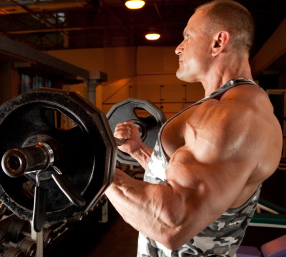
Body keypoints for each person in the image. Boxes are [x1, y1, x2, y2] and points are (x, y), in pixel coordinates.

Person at [105, 0, 283, 256]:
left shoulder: (235, 116)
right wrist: (138, 151)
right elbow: (182, 179)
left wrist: (97, 167)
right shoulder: (222, 108)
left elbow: (172, 224)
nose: (178, 48)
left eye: (187, 36)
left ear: (218, 42)